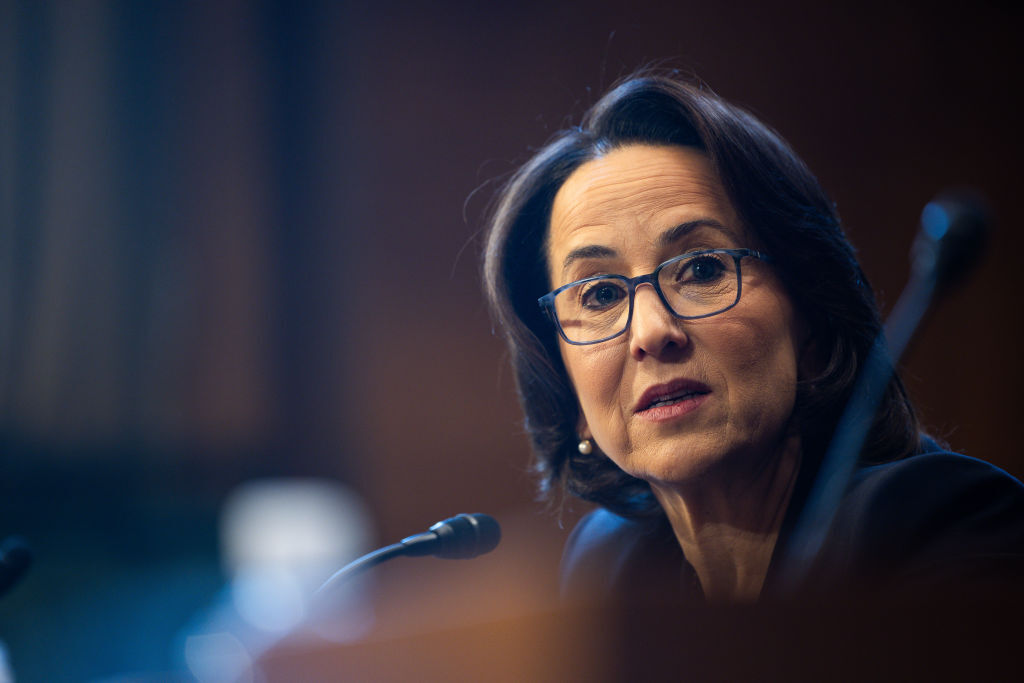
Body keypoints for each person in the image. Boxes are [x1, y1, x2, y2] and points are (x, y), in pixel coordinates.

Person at [482, 71, 1024, 603]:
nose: (651, 333)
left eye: (701, 269)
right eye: (599, 295)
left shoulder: (941, 525)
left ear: (810, 318)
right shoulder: (609, 568)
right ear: (563, 386)